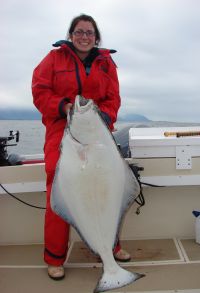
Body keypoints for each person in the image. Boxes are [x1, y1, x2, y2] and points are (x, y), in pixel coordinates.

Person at [32, 14, 131, 280]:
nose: (84, 36)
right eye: (79, 32)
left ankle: (110, 248)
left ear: (96, 37)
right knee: (59, 186)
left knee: (110, 188)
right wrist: (63, 107)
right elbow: (40, 91)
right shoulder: (53, 59)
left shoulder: (106, 62)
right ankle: (54, 257)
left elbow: (113, 97)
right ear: (71, 35)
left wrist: (104, 116)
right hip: (62, 130)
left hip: (98, 131)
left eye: (89, 32)